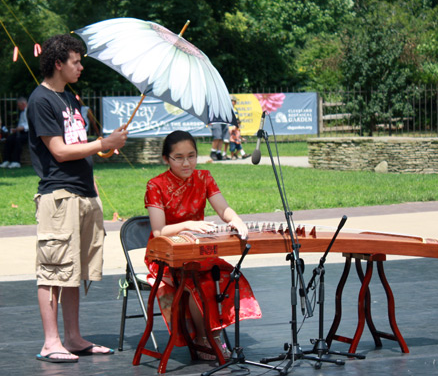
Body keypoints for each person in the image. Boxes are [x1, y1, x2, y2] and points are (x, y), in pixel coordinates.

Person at [27, 34, 128, 363]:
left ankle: (72, 337)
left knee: (73, 271)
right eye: (76, 61)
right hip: (59, 198)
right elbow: (58, 150)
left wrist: (104, 151)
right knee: (53, 269)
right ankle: (50, 342)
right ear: (58, 63)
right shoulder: (41, 100)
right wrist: (102, 143)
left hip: (83, 195)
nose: (81, 66)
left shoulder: (69, 99)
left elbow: (77, 148)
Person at [144, 130, 261, 360]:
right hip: (166, 255)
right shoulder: (155, 185)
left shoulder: (204, 178)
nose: (186, 163)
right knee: (196, 280)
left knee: (225, 275)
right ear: (166, 159)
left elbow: (223, 210)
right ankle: (203, 338)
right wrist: (190, 223)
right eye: (178, 157)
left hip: (198, 249)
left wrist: (235, 220)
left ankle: (212, 336)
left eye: (192, 156)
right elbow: (159, 231)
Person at [0, 97, 29, 169]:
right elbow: (21, 124)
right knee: (9, 139)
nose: (18, 107)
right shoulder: (22, 113)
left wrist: (21, 128)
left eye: (19, 105)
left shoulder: (30, 111)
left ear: (23, 104)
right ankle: (6, 160)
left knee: (18, 140)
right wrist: (16, 129)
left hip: (28, 132)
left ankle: (16, 161)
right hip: (20, 131)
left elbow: (30, 124)